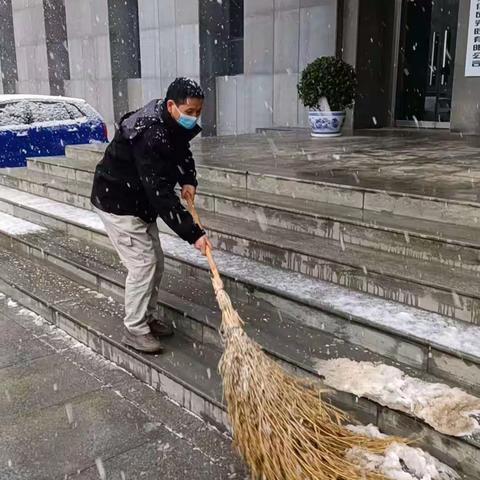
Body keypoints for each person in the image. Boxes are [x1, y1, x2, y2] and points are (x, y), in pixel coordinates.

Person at [90, 77, 212, 354]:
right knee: (143, 264)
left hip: (138, 201)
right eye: (190, 112)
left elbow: (183, 151)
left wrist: (189, 179)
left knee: (156, 260)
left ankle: (147, 316)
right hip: (118, 203)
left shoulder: (171, 123)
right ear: (172, 105)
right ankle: (134, 329)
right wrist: (193, 233)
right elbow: (159, 193)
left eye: (198, 112)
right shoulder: (150, 133)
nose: (194, 118)